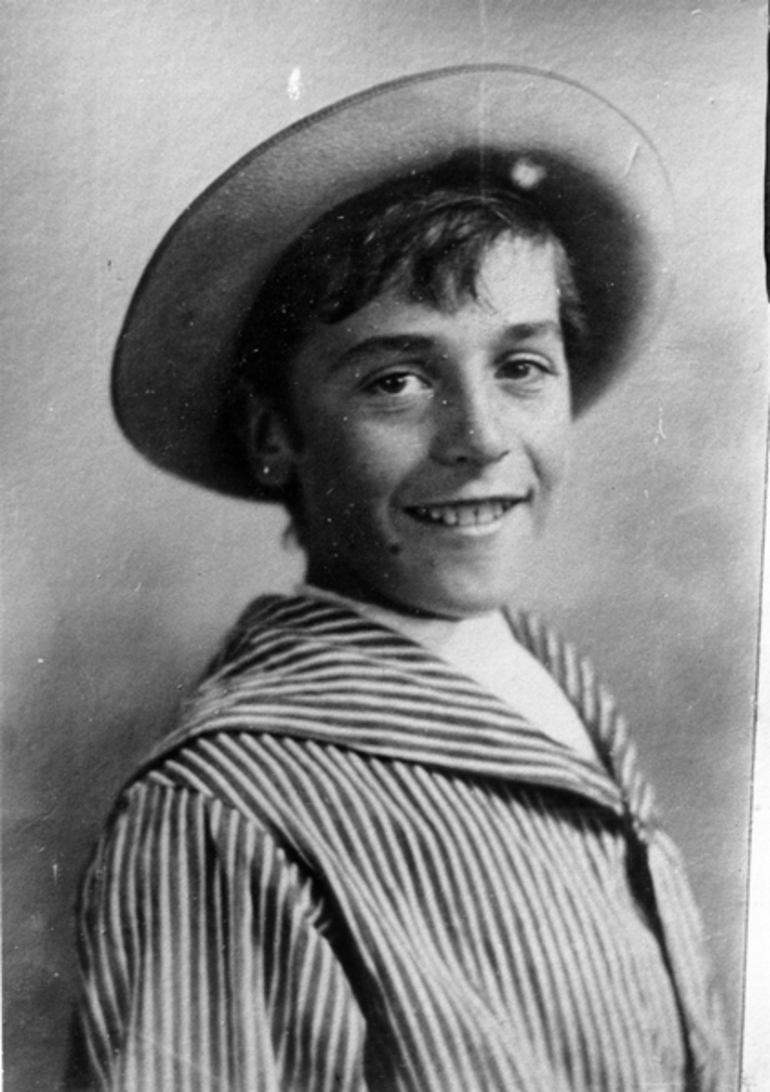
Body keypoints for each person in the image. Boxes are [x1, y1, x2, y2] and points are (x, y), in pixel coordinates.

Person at [68, 67, 729, 1091]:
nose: (477, 439)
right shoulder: (228, 812)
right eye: (395, 381)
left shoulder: (551, 690)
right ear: (273, 433)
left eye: (519, 365)